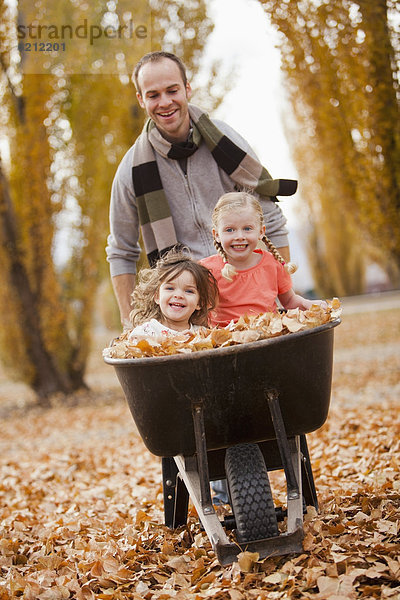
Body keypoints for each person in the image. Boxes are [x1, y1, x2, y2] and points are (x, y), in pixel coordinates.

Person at [106, 50, 297, 330]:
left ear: (187, 89)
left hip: (248, 299)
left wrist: (284, 295)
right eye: (153, 95)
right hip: (187, 313)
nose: (165, 102)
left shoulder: (228, 144)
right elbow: (121, 251)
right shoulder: (130, 170)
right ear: (141, 99)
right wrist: (128, 322)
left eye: (172, 90)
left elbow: (272, 220)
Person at [200, 191, 326, 327]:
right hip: (227, 341)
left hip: (267, 334)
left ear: (261, 232)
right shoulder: (206, 270)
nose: (239, 236)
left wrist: (306, 303)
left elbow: (289, 300)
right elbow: (197, 310)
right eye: (230, 230)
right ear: (216, 234)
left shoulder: (272, 264)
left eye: (247, 228)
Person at [128, 248, 218, 338]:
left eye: (189, 291)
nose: (178, 295)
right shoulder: (147, 331)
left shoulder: (201, 333)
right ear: (157, 296)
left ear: (200, 303)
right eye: (170, 288)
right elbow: (134, 345)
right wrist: (171, 342)